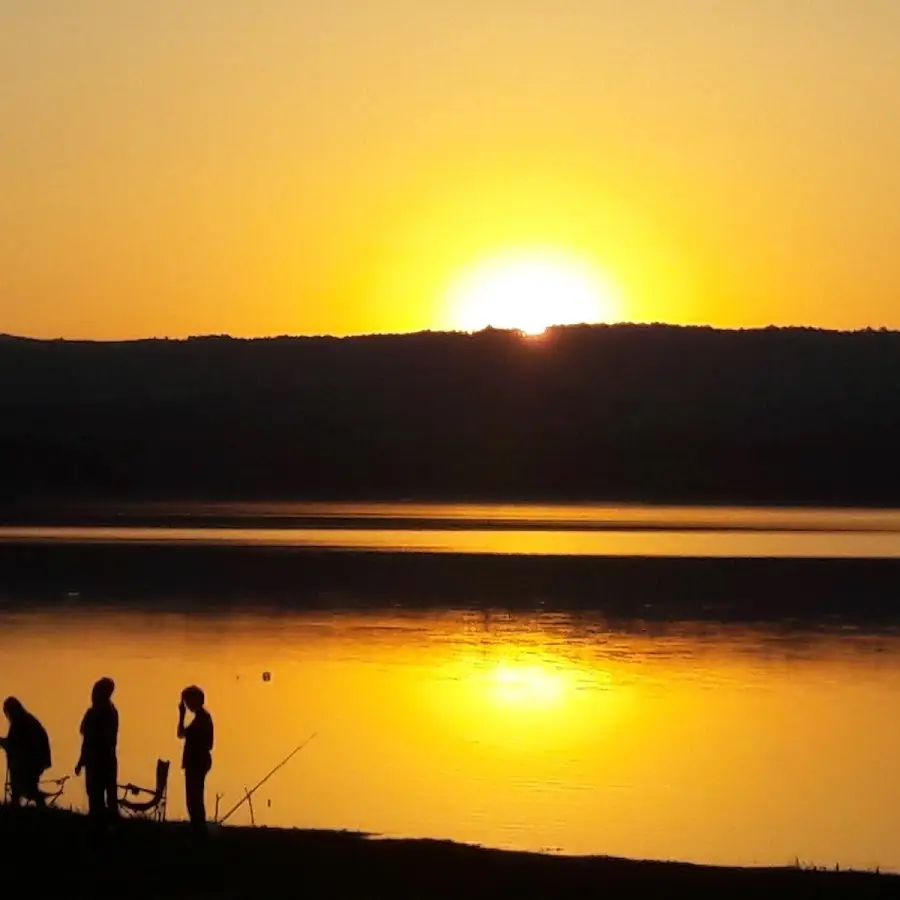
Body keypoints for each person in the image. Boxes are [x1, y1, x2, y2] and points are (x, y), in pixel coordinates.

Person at [75, 677, 119, 828]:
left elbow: (88, 741)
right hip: (109, 759)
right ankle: (109, 825)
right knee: (109, 794)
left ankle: (98, 826)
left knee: (96, 795)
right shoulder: (112, 712)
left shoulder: (96, 714)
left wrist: (81, 761)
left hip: (97, 761)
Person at [0, 697, 51, 807]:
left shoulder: (21, 723)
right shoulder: (26, 720)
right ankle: (28, 804)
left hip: (30, 761)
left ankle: (18, 805)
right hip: (34, 760)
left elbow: (14, 744)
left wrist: (3, 743)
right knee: (27, 786)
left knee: (24, 786)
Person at [177, 685, 213, 836]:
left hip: (197, 763)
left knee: (194, 799)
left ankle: (198, 830)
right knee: (195, 798)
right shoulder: (203, 718)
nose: (186, 704)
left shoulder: (201, 719)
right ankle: (198, 828)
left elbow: (180, 733)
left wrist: (181, 715)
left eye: (187, 701)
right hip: (199, 762)